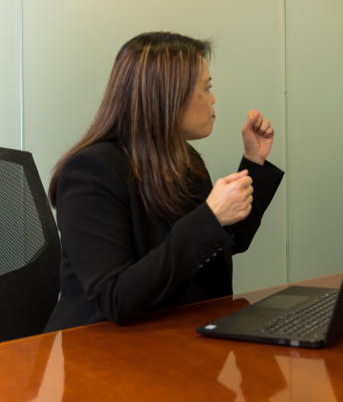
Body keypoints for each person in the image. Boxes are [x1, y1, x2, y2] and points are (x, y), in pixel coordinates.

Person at [45, 32, 284, 331]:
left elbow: (224, 241)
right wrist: (209, 218)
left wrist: (254, 162)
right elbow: (115, 298)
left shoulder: (184, 158)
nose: (213, 99)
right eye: (206, 89)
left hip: (174, 332)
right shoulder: (91, 171)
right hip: (101, 347)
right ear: (168, 97)